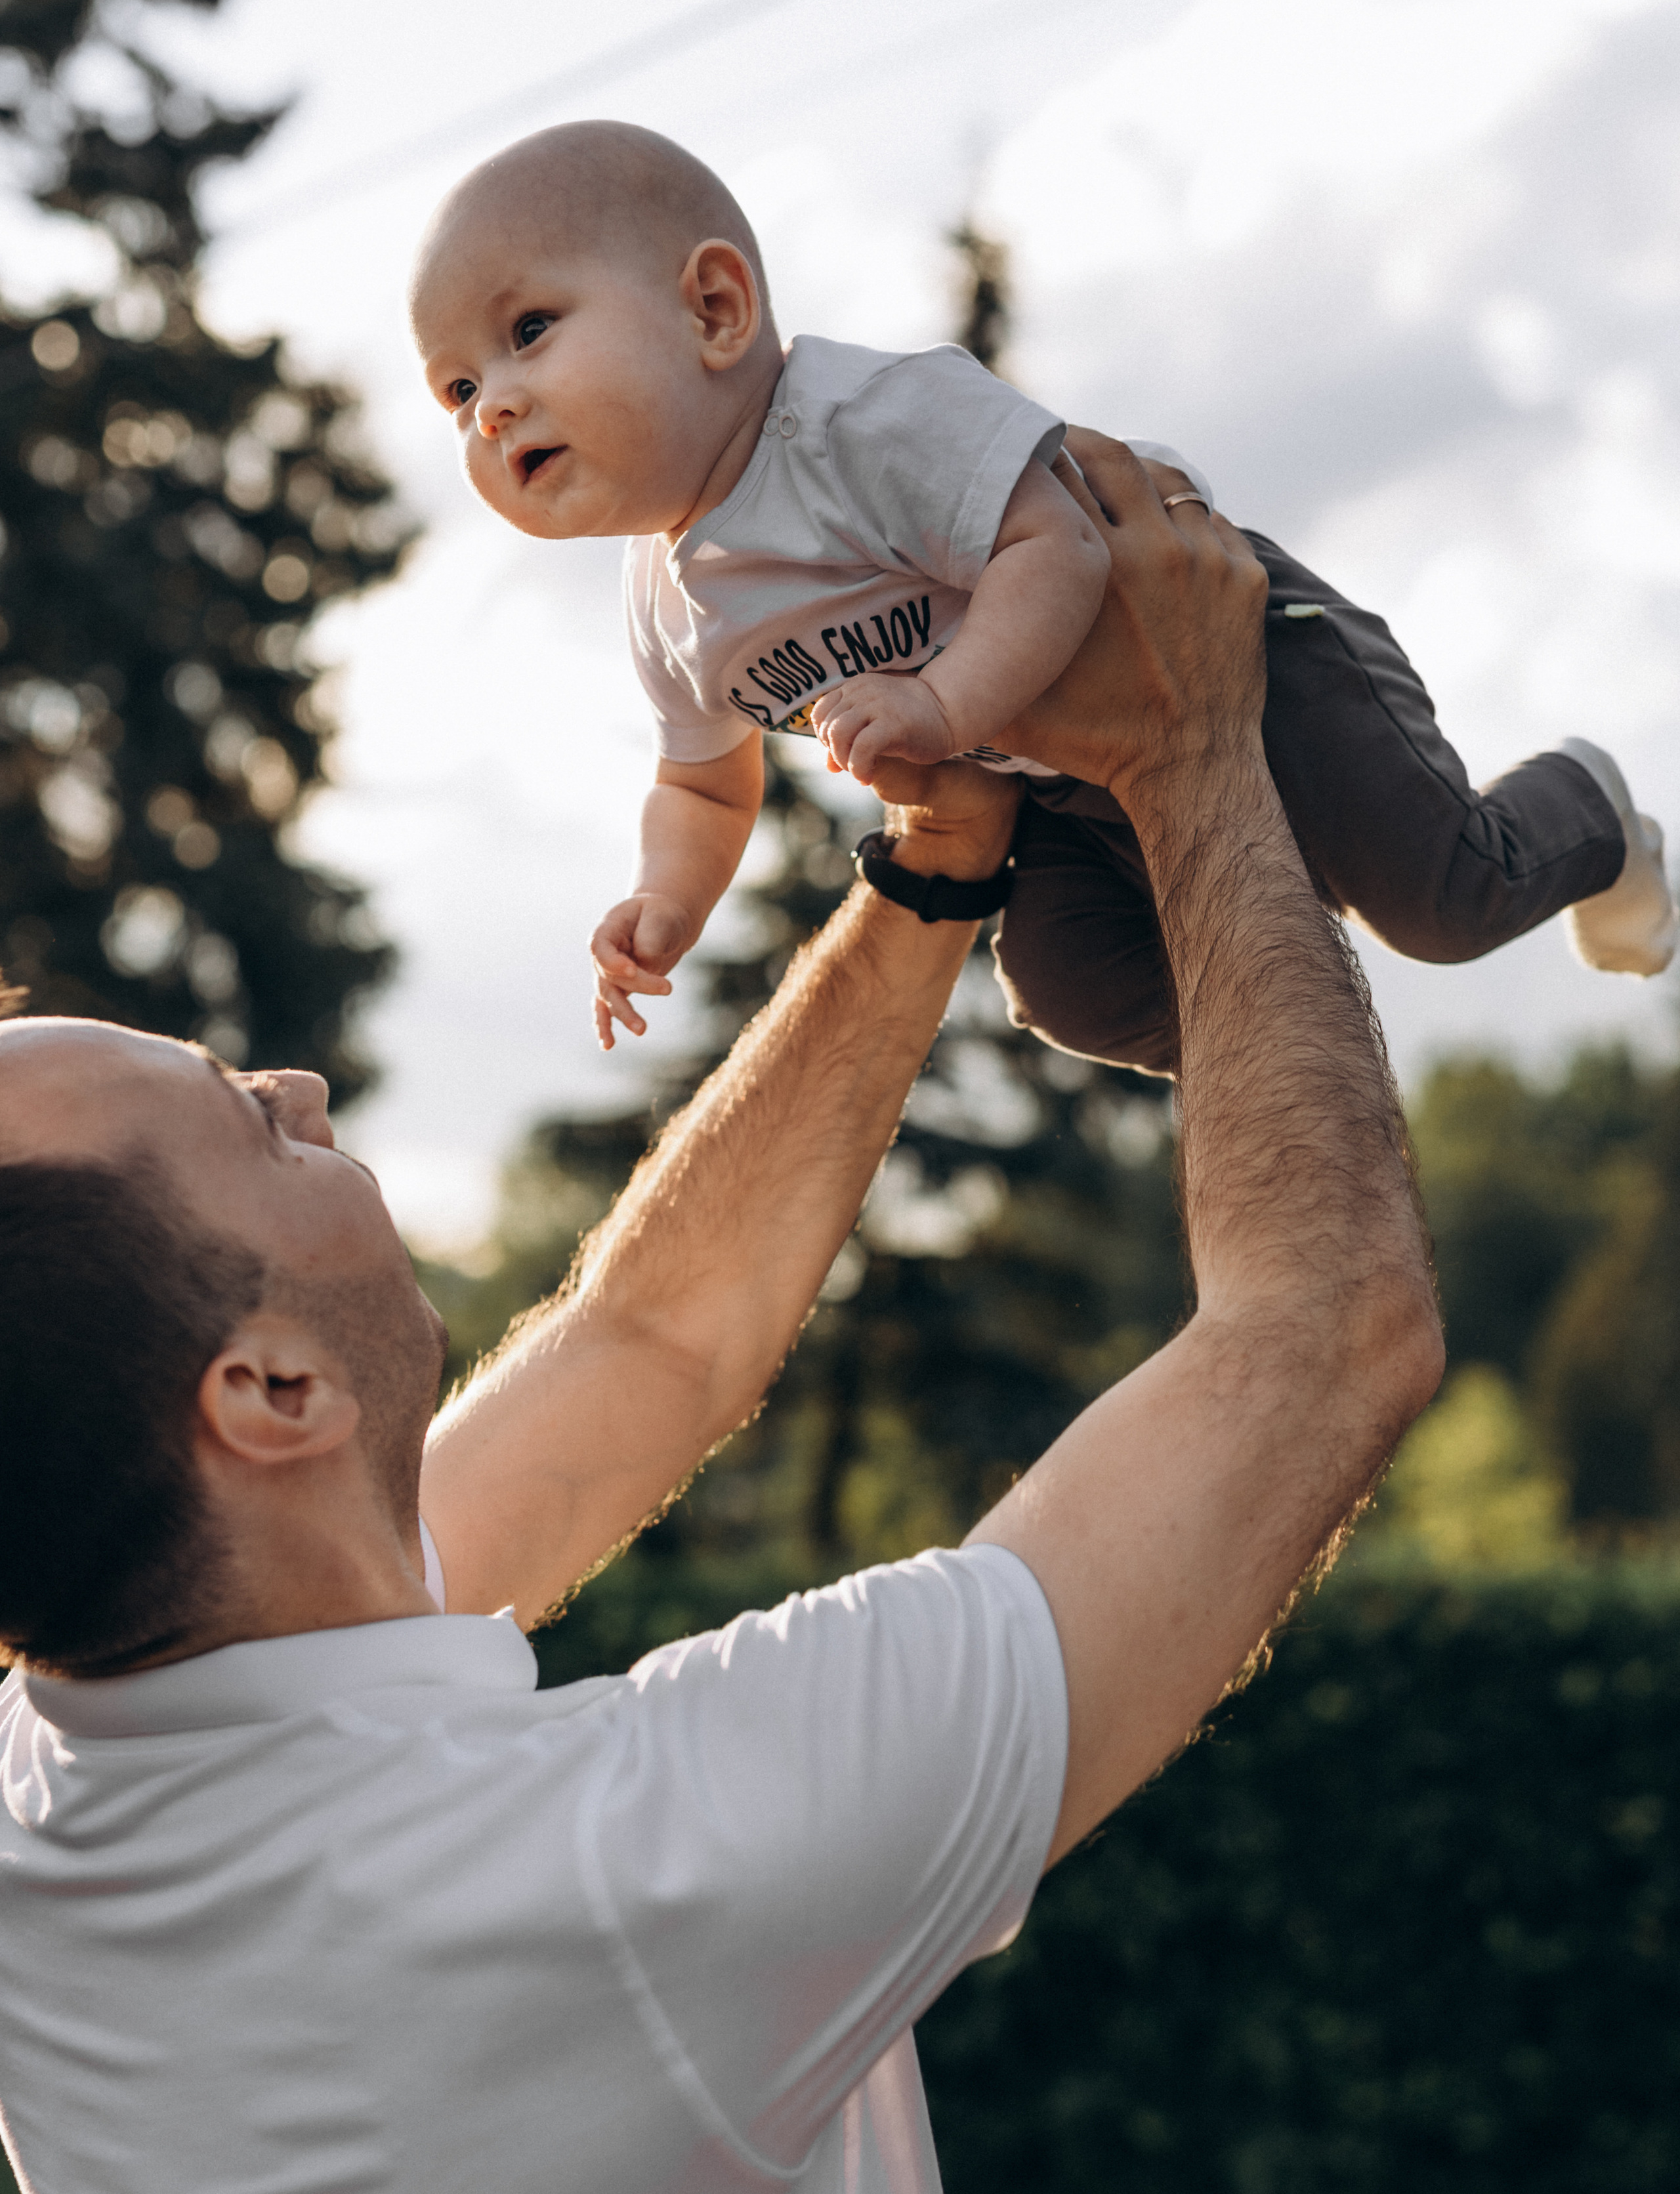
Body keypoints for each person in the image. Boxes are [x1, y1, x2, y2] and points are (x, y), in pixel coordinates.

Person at [0, 443, 1443, 2194]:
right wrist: (1197, 754)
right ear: (274, 1392)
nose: (302, 1086)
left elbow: (648, 1347)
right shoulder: (611, 1877)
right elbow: (1322, 1337)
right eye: (250, 1120)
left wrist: (930, 875)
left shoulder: (76, 1764)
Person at [410, 119, 1676, 1068]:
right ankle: (1291, 1022)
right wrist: (667, 904)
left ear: (717, 307)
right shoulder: (665, 610)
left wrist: (941, 702)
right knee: (1073, 988)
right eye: (458, 391)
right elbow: (701, 780)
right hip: (1070, 785)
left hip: (1239, 649)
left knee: (1442, 903)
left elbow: (1058, 549)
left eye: (527, 332)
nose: (494, 404)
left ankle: (1587, 813)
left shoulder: (861, 423)